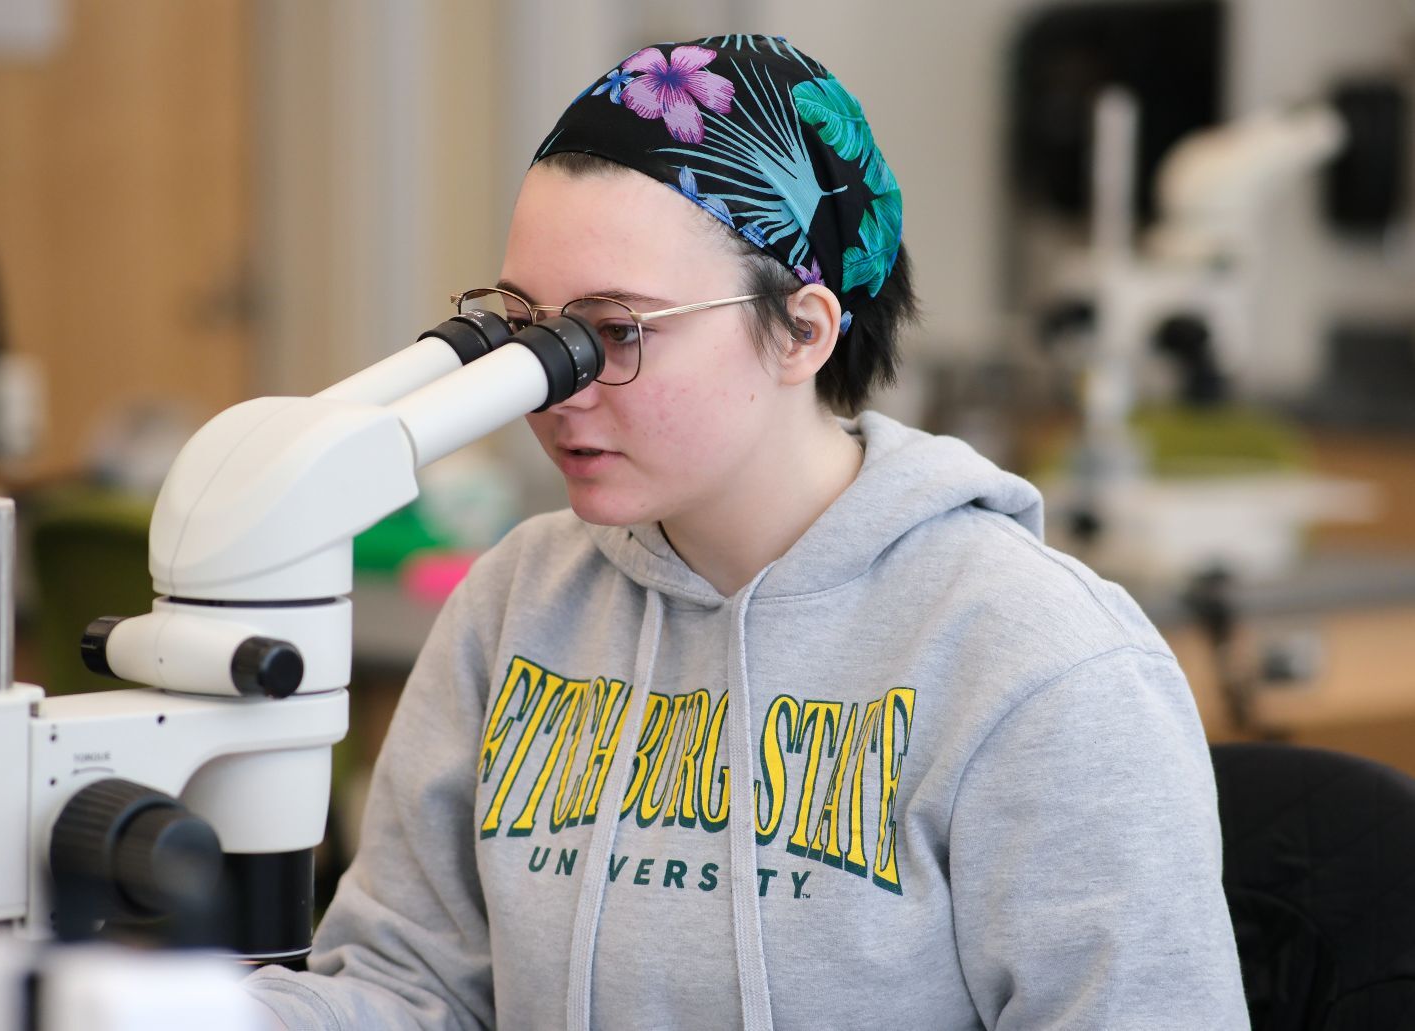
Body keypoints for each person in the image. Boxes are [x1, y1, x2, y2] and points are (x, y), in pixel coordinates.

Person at [247, 34, 1249, 1029]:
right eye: (525, 325)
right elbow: (406, 988)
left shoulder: (1032, 659)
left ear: (803, 330)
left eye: (616, 330)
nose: (553, 387)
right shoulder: (514, 603)